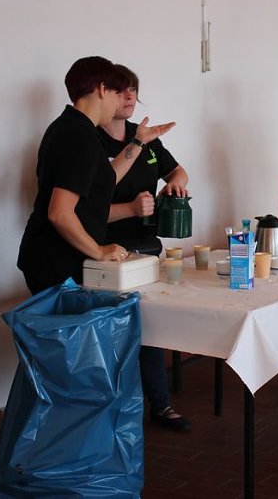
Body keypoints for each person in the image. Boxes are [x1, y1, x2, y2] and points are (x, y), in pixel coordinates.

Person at [17, 57, 174, 295]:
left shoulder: (70, 127)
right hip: (57, 263)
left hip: (54, 259)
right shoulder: (79, 136)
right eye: (117, 94)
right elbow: (59, 213)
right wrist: (99, 251)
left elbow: (105, 179)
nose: (120, 102)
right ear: (102, 89)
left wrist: (138, 142)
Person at [97, 65, 191, 433]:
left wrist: (175, 186)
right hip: (109, 250)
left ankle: (160, 404)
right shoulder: (91, 141)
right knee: (116, 332)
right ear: (103, 94)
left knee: (150, 326)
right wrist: (130, 209)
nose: (130, 97)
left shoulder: (147, 139)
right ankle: (118, 410)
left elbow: (178, 172)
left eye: (134, 90)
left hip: (147, 247)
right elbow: (81, 208)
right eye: (121, 91)